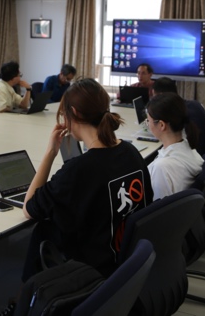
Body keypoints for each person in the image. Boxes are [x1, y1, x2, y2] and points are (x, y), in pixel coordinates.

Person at [22, 78, 153, 281]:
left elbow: (29, 208)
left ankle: (27, 295)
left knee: (44, 228)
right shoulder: (131, 151)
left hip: (97, 273)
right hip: (129, 262)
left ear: (74, 112)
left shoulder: (79, 170)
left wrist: (50, 152)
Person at [145, 93, 204, 200]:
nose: (148, 125)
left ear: (161, 125)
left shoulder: (162, 167)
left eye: (148, 121)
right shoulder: (187, 147)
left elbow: (159, 207)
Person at [152, 77, 205, 155]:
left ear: (161, 96)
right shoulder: (194, 104)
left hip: (192, 155)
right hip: (204, 153)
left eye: (154, 97)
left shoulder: (176, 115)